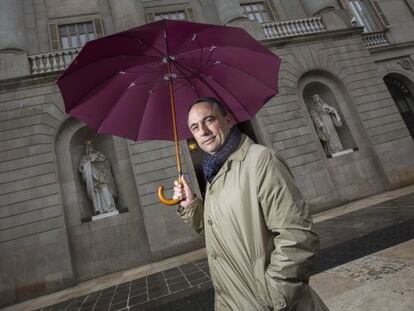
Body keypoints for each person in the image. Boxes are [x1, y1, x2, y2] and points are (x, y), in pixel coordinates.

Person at [173, 97, 328, 310]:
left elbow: (297, 235)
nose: (203, 131)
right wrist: (191, 205)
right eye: (195, 126)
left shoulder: (261, 161)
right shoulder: (214, 174)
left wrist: (275, 294)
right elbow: (221, 234)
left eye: (209, 120)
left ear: (227, 119)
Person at [79, 141, 118, 215]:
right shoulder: (85, 158)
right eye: (88, 147)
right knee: (97, 194)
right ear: (86, 149)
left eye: (91, 146)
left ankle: (111, 208)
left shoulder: (99, 154)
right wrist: (89, 163)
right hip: (93, 180)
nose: (90, 148)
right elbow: (81, 169)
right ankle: (100, 210)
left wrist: (96, 159)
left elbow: (106, 163)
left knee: (105, 189)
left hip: (103, 177)